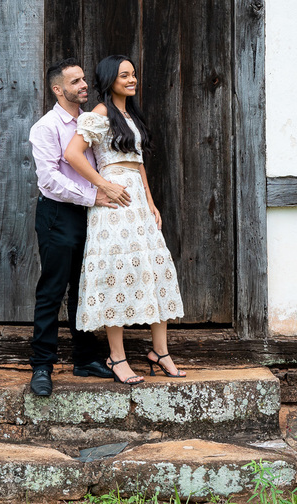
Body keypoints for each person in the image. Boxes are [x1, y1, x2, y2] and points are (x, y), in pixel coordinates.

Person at [62, 55, 186, 386]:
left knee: (154, 268)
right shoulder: (100, 113)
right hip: (114, 204)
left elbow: (138, 163)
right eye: (124, 76)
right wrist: (103, 185)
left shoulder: (130, 115)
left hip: (138, 205)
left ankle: (160, 352)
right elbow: (72, 155)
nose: (131, 80)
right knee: (116, 275)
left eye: (133, 75)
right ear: (109, 81)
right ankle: (116, 357)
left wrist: (151, 201)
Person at [27, 58, 132, 397]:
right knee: (53, 290)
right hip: (59, 214)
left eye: (84, 79)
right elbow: (49, 179)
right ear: (58, 90)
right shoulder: (46, 127)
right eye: (75, 82)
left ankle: (85, 358)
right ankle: (42, 366)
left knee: (84, 286)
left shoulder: (92, 120)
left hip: (91, 214)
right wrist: (93, 194)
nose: (84, 85)